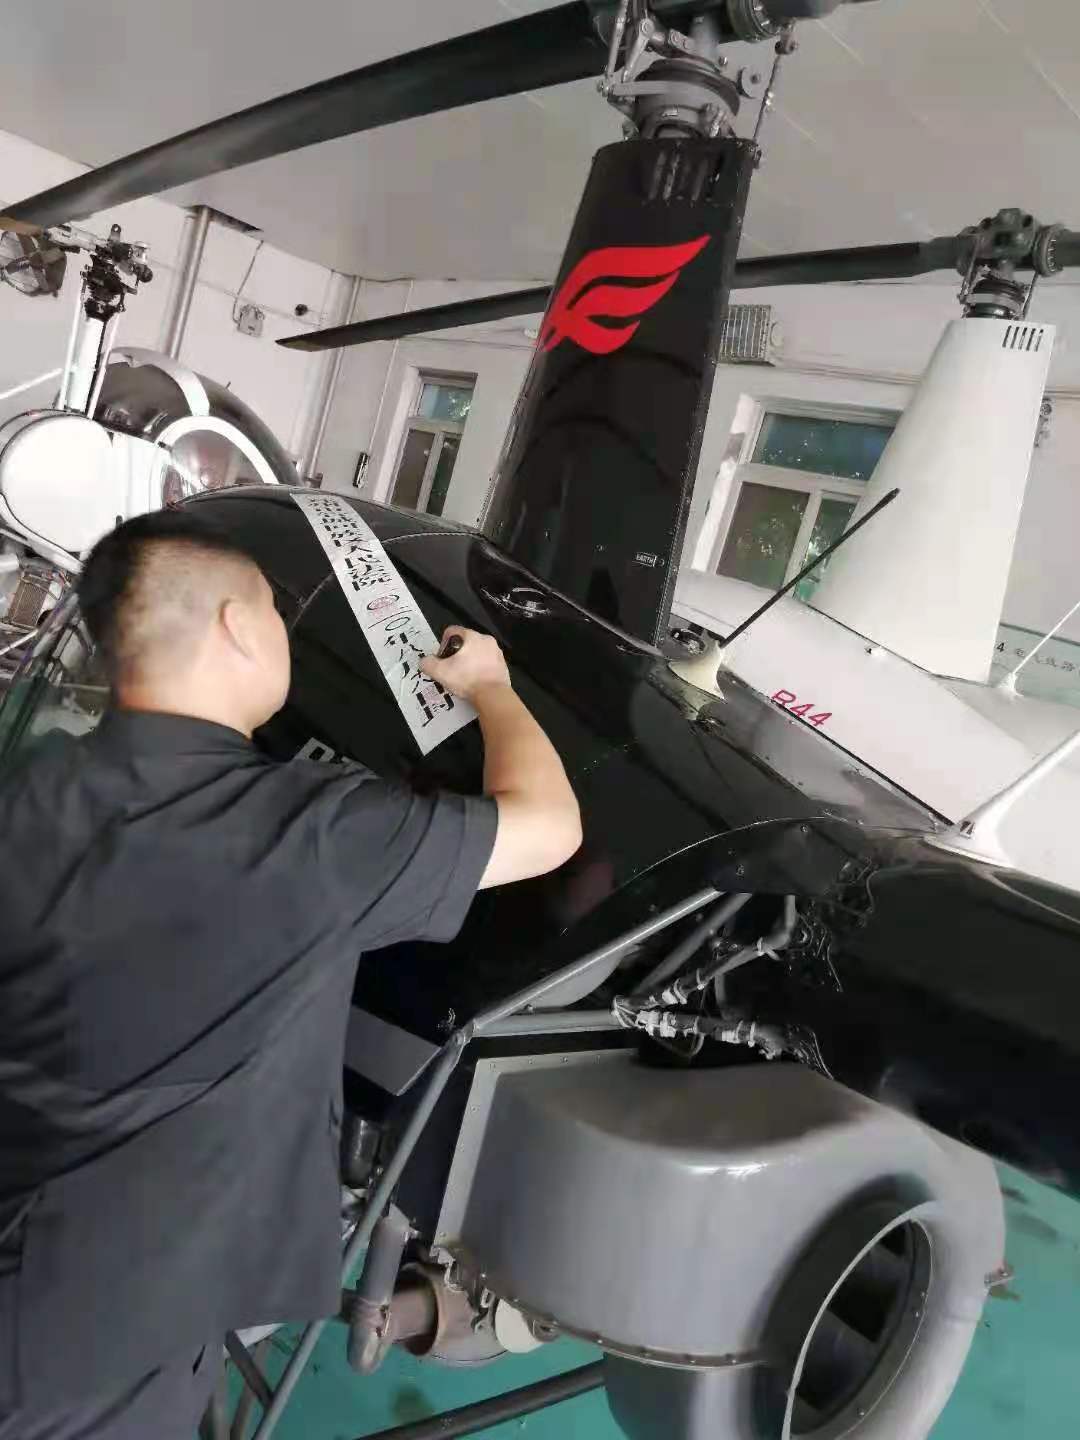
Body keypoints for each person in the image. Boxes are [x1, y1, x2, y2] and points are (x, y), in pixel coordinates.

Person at [0, 509, 581, 1440]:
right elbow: (549, 827)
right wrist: (492, 690)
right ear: (237, 625)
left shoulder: (30, 785)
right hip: (110, 1346)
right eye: (275, 612)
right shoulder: (306, 832)